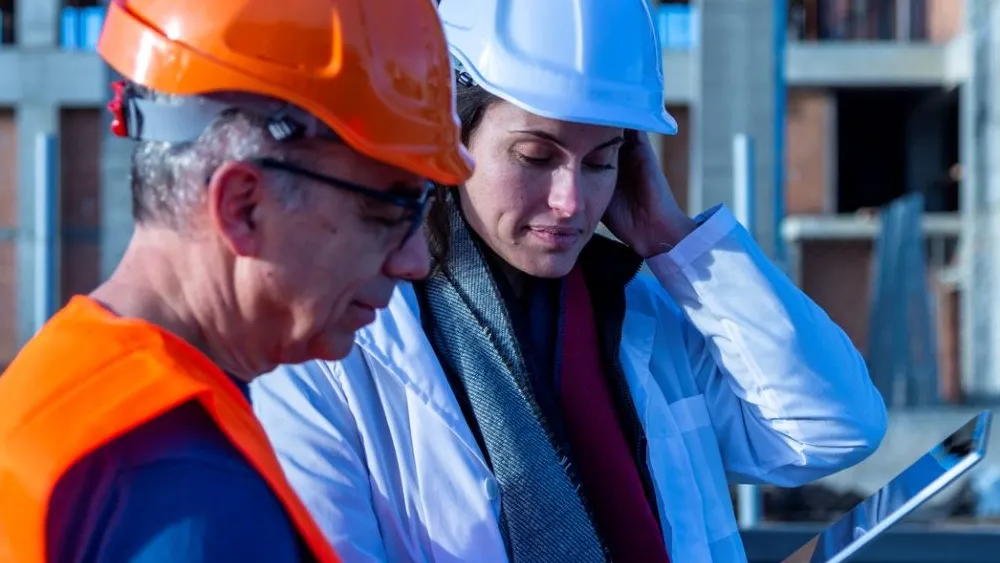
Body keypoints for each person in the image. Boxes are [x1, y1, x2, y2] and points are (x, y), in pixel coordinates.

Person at [250, 0, 887, 561]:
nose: (571, 201)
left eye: (602, 162)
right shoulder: (334, 345)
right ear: (444, 136)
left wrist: (671, 238)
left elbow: (830, 430)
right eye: (535, 157)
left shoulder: (636, 308)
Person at [0, 0, 472, 562]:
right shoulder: (188, 494)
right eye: (391, 209)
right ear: (244, 206)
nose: (413, 260)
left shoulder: (67, 382)